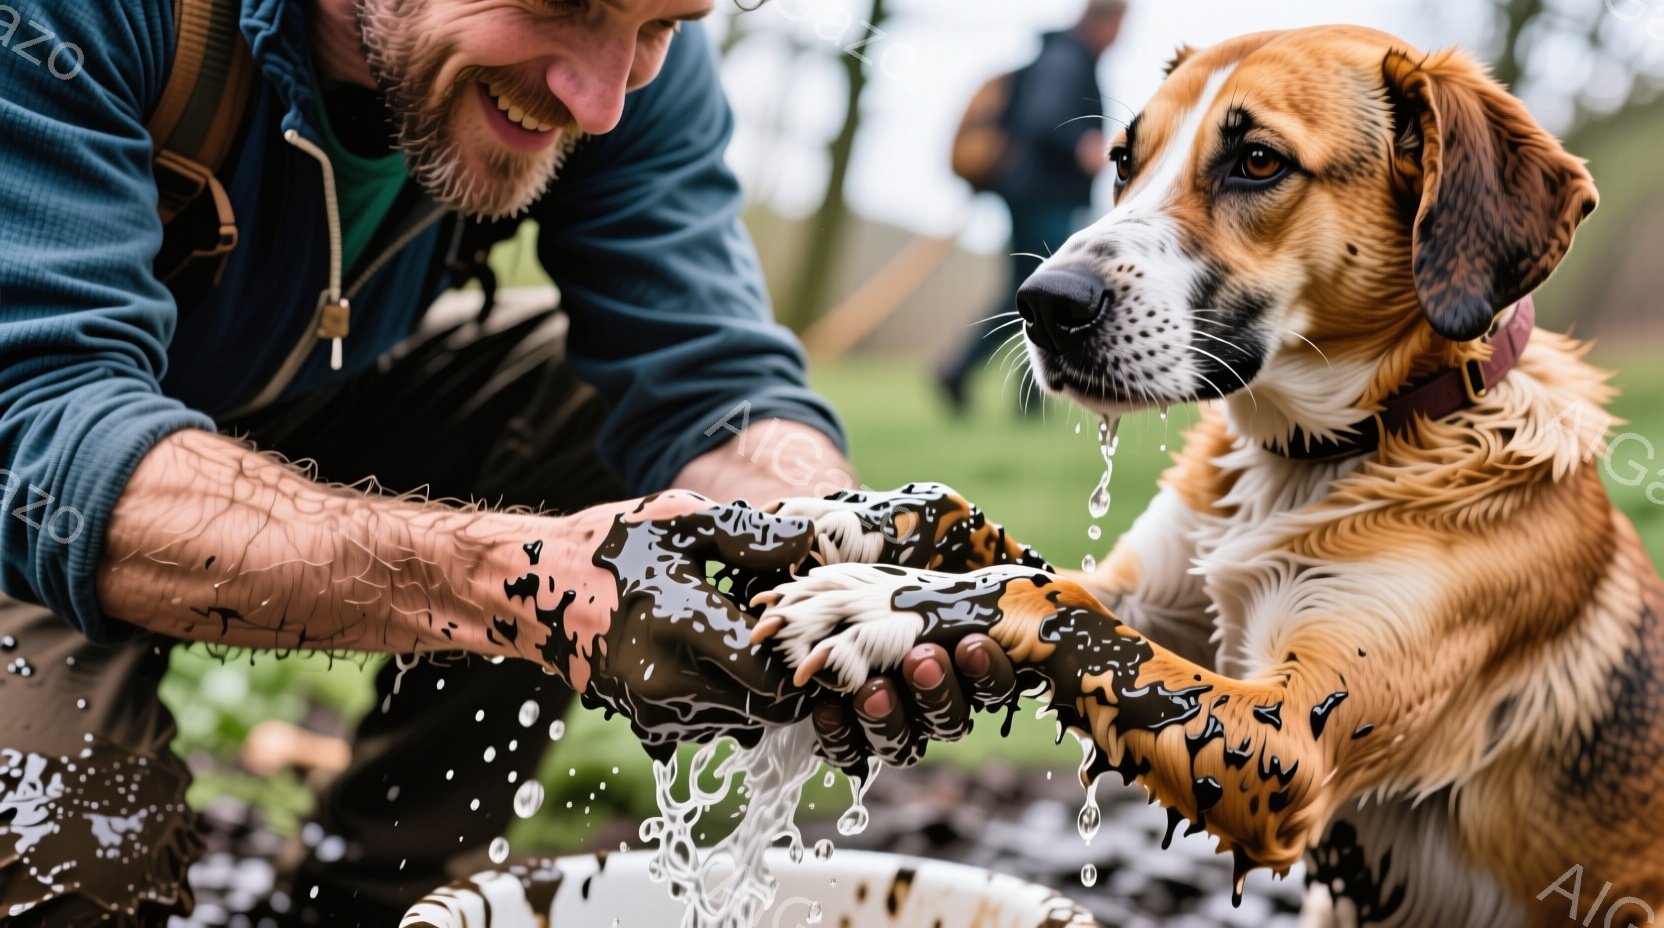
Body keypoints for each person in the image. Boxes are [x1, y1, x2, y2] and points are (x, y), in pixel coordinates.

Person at [0, 1, 1015, 924]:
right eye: (560, 4)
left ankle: (370, 905)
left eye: (660, 26)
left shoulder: (608, 65)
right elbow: (43, 427)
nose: (603, 98)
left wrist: (830, 557)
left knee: (566, 395)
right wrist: (523, 584)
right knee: (69, 857)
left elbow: (710, 379)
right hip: (29, 464)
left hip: (269, 399)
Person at [938, 0, 1125, 414]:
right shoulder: (1067, 58)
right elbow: (1045, 119)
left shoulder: (1061, 55)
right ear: (1106, 21)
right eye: (1120, 25)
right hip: (1042, 196)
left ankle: (992, 384)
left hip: (1035, 194)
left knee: (1021, 293)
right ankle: (1014, 391)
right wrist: (1084, 145)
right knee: (1046, 293)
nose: (1121, 38)